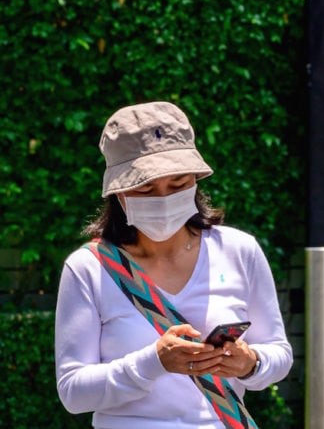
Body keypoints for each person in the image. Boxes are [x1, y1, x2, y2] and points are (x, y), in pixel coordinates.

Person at [54, 101, 293, 428]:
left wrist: (250, 363)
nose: (163, 196)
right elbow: (72, 392)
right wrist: (153, 362)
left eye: (178, 183)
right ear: (118, 193)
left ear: (196, 179)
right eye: (145, 187)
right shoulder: (88, 268)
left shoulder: (239, 250)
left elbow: (278, 353)